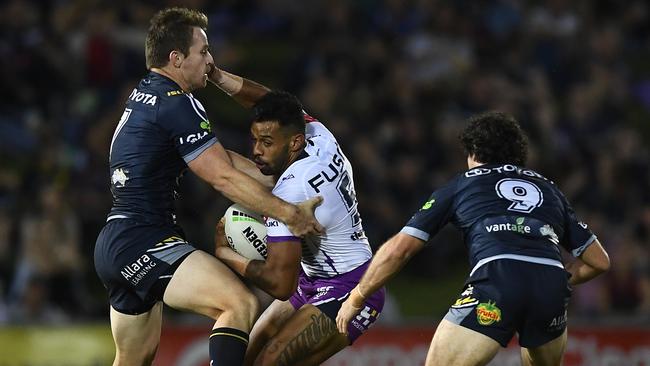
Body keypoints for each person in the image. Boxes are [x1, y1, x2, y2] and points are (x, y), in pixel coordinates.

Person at [93, 7, 323, 366]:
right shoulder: (177, 104)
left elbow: (223, 160)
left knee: (132, 360)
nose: (209, 60)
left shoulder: (147, 93)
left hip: (116, 242)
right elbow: (221, 177)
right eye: (203, 52)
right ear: (176, 58)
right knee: (239, 303)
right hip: (144, 239)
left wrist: (281, 182)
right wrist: (289, 213)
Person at [336, 111, 611, 366]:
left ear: (474, 152)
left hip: (498, 277)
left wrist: (357, 297)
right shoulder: (549, 189)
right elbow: (599, 261)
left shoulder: (464, 183)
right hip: (551, 285)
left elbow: (400, 249)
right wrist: (551, 279)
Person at [209, 67, 385, 365]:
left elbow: (280, 285)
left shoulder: (291, 195)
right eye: (255, 140)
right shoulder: (318, 135)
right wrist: (215, 75)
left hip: (353, 288)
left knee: (271, 360)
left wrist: (224, 252)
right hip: (314, 277)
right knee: (249, 350)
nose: (256, 150)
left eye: (266, 143)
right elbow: (268, 99)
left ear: (294, 143)